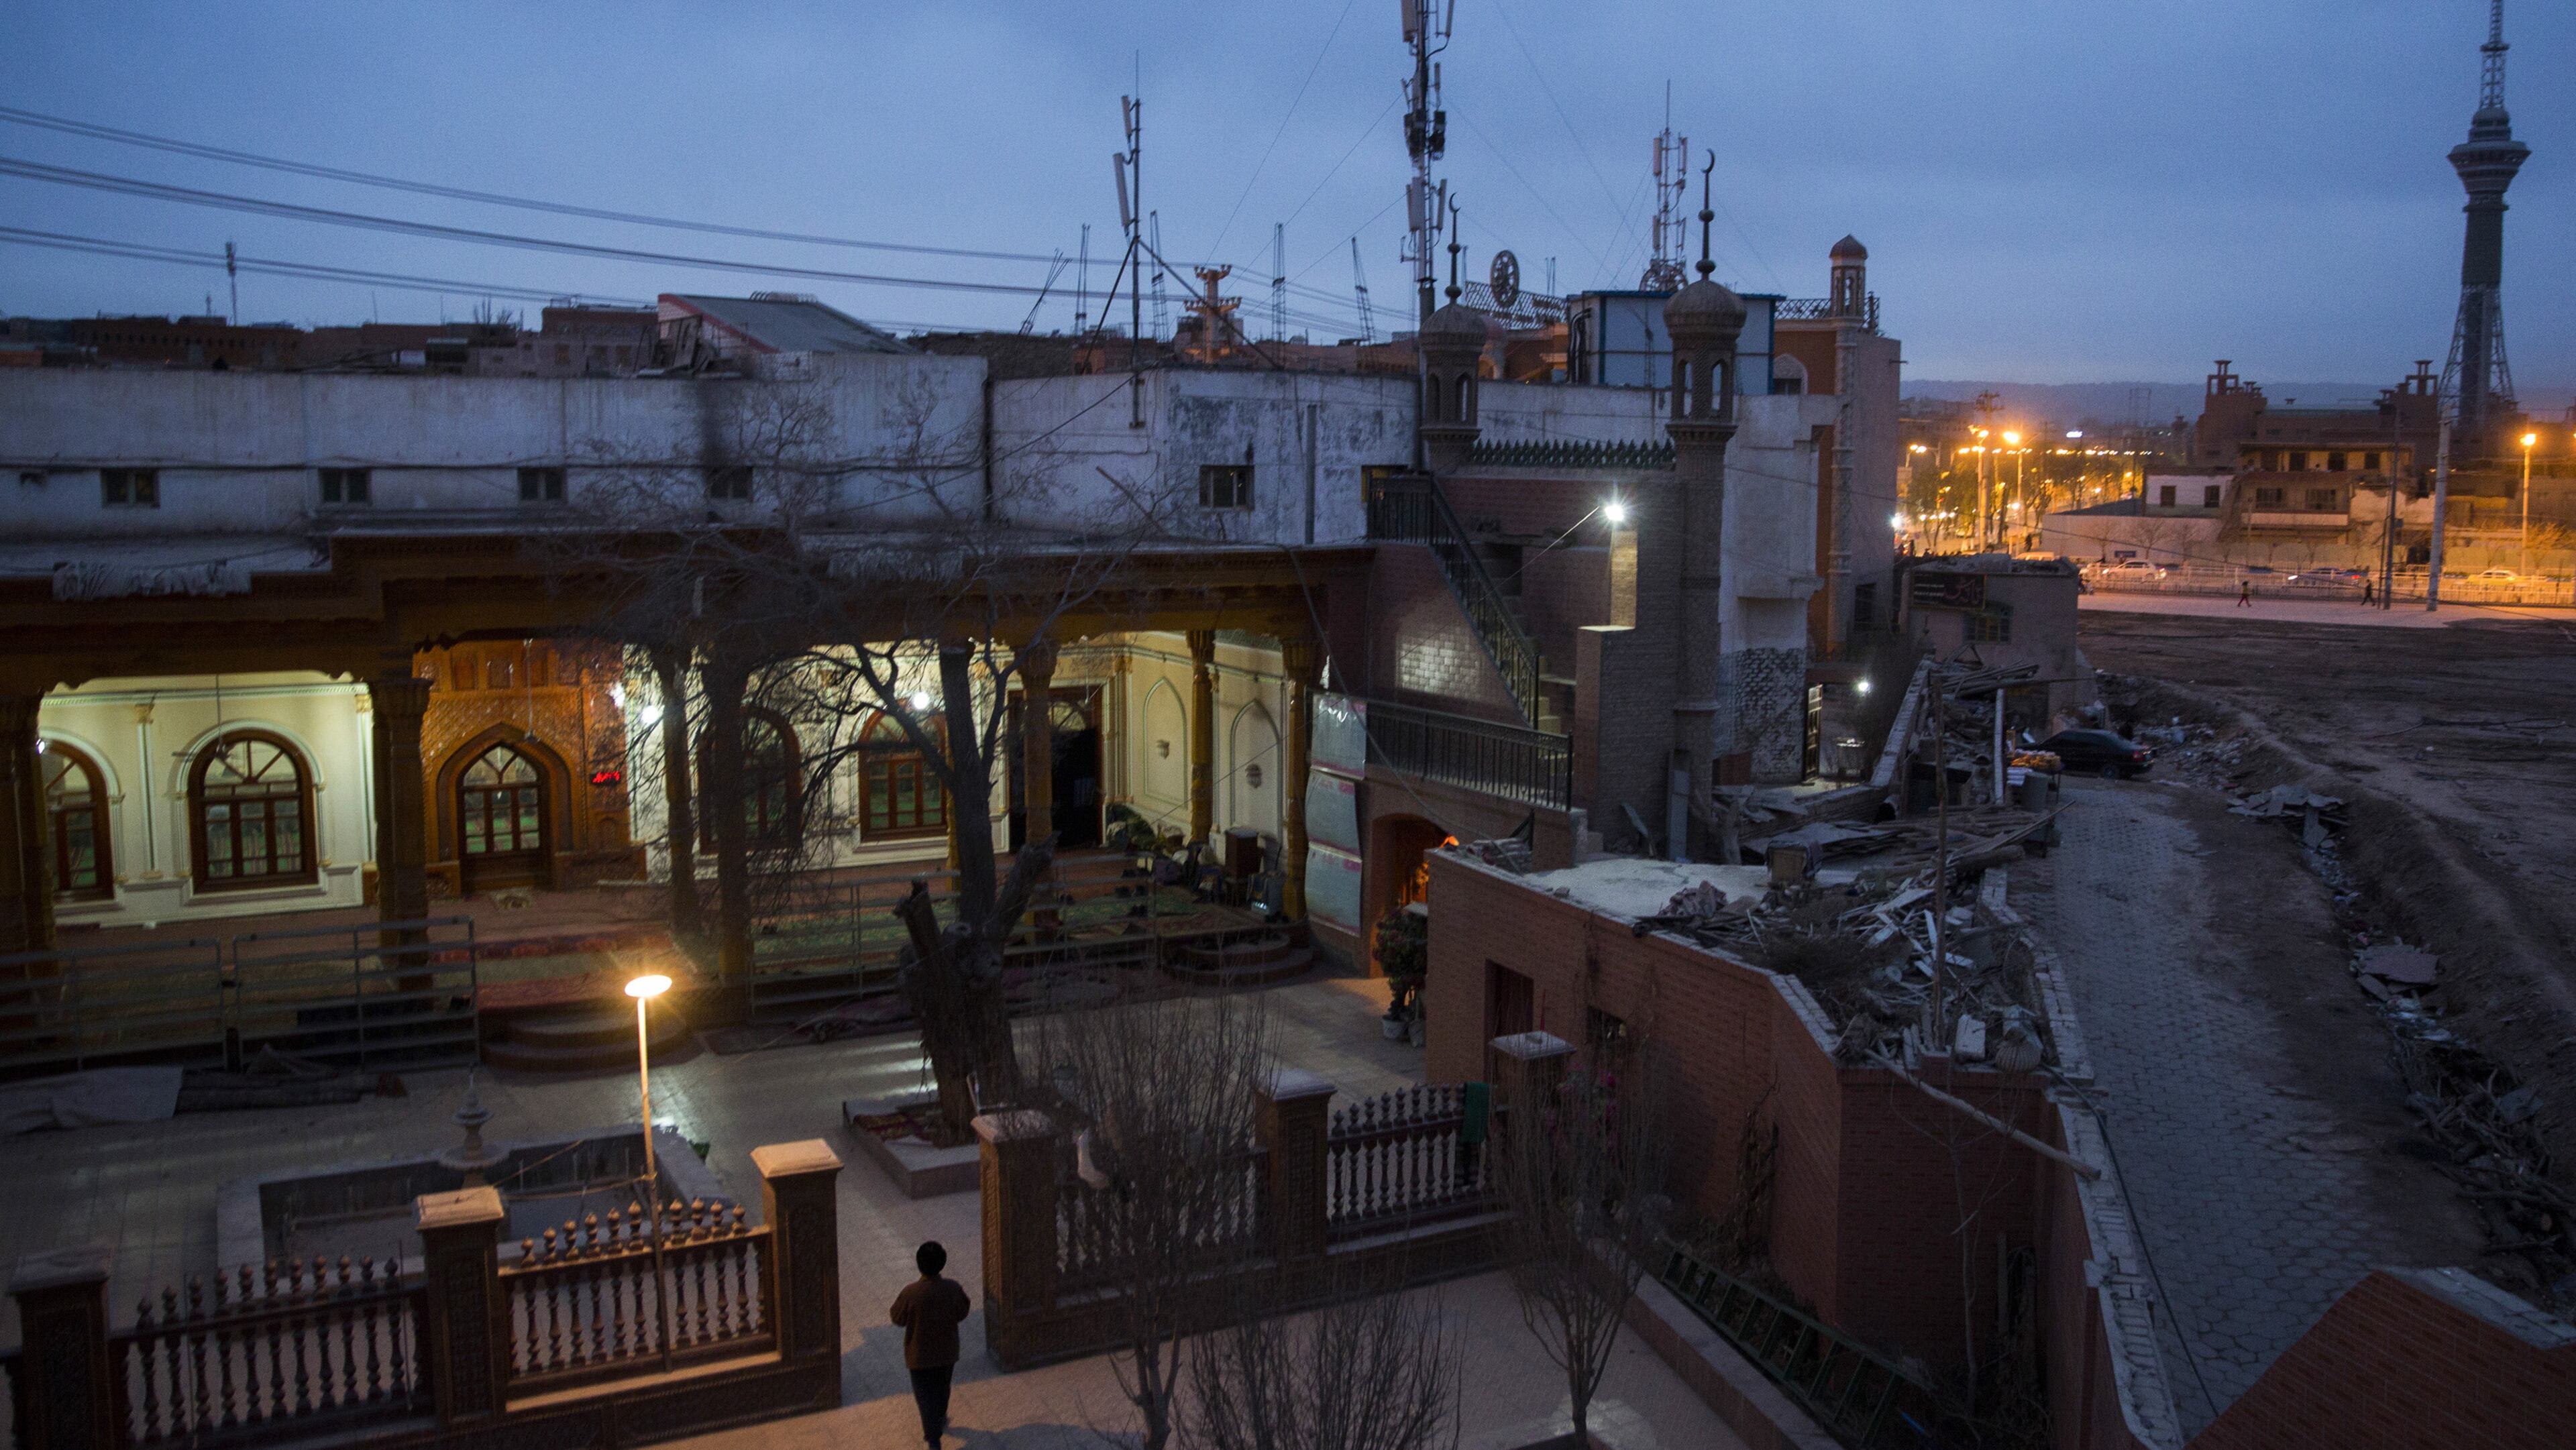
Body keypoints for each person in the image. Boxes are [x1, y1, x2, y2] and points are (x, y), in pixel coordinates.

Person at [890, 1241, 973, 1447]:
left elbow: (897, 1318)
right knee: (943, 1388)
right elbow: (962, 1311)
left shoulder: (911, 1293)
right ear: (942, 1263)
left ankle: (933, 1438)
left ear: (919, 1264)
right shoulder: (952, 1288)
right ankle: (940, 1416)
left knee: (924, 1397)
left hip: (919, 1356)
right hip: (946, 1352)